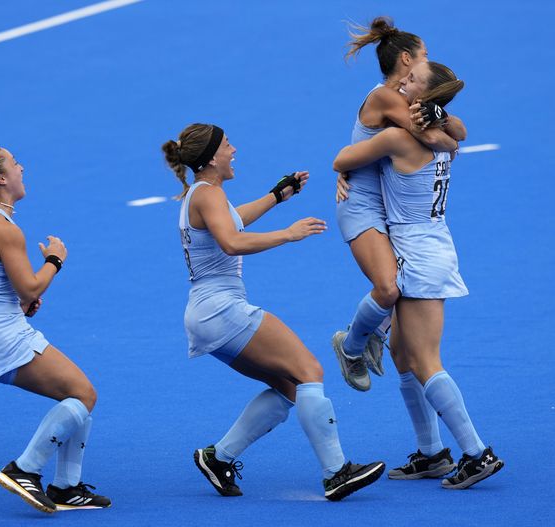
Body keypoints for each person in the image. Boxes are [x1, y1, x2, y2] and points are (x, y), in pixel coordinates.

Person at [163, 123, 385, 501]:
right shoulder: (209, 194)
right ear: (212, 156)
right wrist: (289, 233)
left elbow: (232, 220)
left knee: (288, 386)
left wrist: (276, 196)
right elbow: (232, 241)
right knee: (309, 371)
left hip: (204, 315)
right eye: (228, 145)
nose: (234, 150)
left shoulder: (202, 194)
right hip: (222, 309)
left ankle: (219, 458)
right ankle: (337, 473)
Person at [332, 62, 504, 489]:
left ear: (423, 100)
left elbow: (343, 157)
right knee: (401, 354)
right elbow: (455, 133)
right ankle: (432, 453)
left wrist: (343, 171)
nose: (400, 84)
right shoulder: (445, 141)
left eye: (409, 83)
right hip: (431, 248)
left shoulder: (395, 138)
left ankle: (477, 453)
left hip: (420, 257)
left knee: (425, 360)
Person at [0, 144, 111, 513]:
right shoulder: (5, 229)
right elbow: (31, 287)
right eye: (15, 164)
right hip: (4, 338)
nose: (22, 168)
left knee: (76, 394)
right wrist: (54, 259)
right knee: (83, 396)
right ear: (1, 179)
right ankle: (25, 470)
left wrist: (15, 302)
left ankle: (67, 488)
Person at [333, 16, 468, 392]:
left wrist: (442, 118)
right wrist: (448, 137)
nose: (430, 59)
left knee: (400, 312)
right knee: (390, 288)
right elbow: (444, 139)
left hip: (387, 208)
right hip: (362, 206)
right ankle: (351, 345)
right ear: (407, 60)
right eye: (425, 54)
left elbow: (456, 129)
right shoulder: (386, 98)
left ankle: (374, 331)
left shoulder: (406, 98)